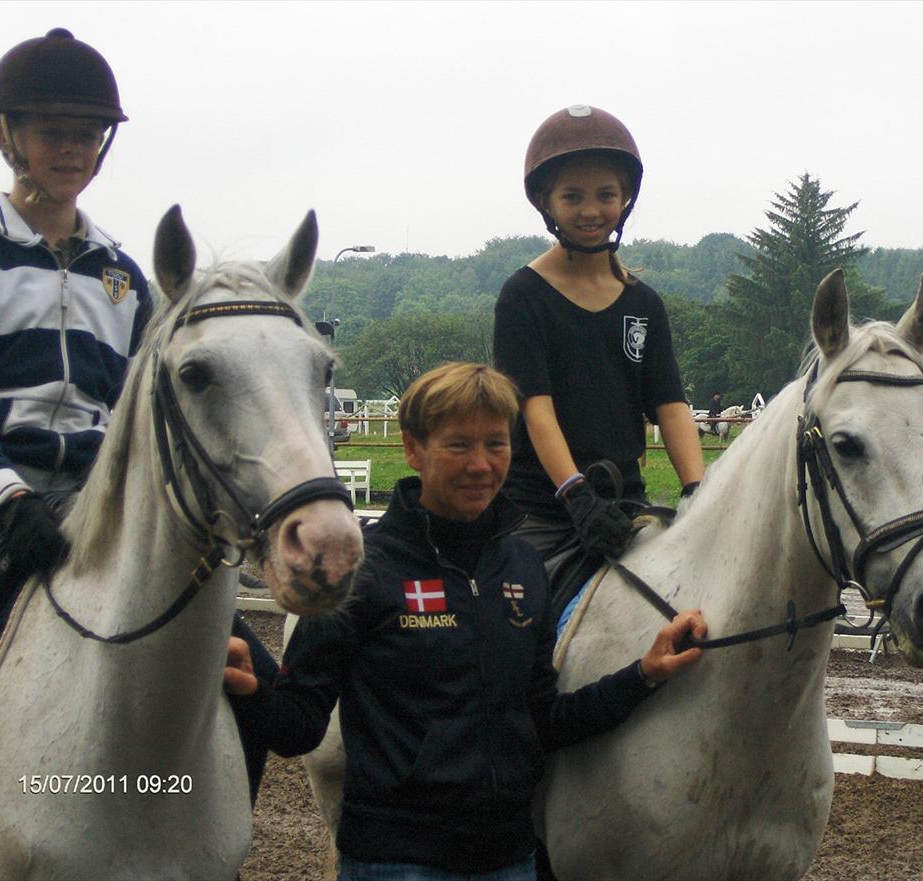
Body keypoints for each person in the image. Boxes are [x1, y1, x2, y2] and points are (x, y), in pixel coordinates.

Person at [225, 363, 707, 881]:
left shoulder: (522, 568)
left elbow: (541, 721)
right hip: (396, 863)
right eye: (458, 446)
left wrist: (644, 674)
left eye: (495, 444)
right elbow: (298, 728)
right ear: (414, 449)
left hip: (509, 861)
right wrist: (256, 693)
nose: (481, 465)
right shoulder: (362, 572)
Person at [0, 28, 152, 567]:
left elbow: (139, 420)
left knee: (239, 648)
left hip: (95, 508)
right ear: (4, 136)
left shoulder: (126, 281)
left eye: (87, 135)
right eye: (52, 132)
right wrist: (13, 500)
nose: (71, 149)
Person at [493, 104, 704, 570]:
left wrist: (696, 491)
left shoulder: (643, 304)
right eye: (573, 197)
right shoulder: (523, 296)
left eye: (605, 194)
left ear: (625, 197)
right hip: (544, 509)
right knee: (515, 620)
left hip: (626, 505)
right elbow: (536, 408)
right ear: (547, 202)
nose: (591, 211)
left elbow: (670, 405)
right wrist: (576, 495)